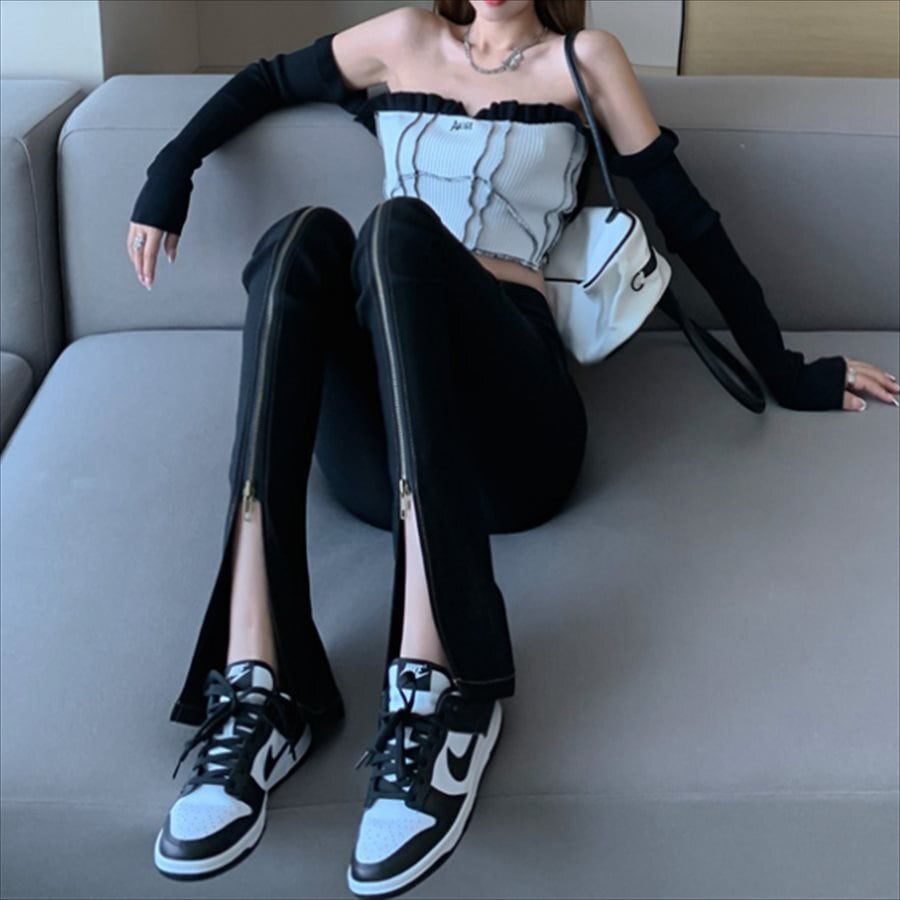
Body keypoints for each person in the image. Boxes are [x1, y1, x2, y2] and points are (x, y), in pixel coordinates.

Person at [126, 1, 900, 896]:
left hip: (514, 435)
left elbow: (687, 220)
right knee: (301, 238)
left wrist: (787, 369)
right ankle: (260, 679)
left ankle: (440, 680)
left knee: (397, 228)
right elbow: (266, 80)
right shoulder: (400, 40)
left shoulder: (584, 60)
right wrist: (169, 169)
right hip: (386, 456)